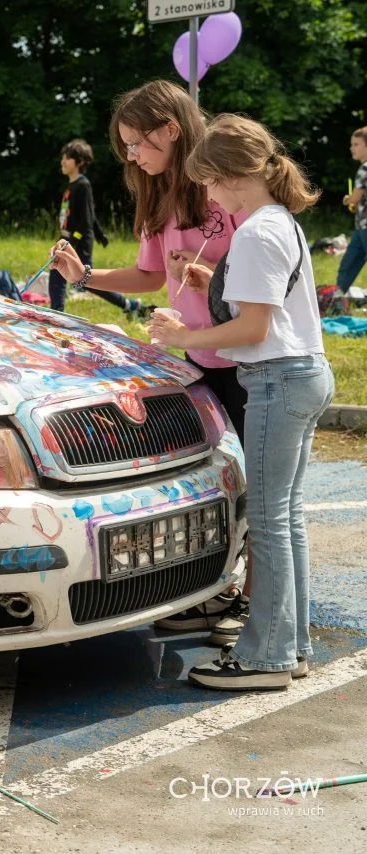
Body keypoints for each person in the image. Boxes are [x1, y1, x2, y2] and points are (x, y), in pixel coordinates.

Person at [49, 81, 250, 642]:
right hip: (200, 358)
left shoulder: (226, 192)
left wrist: (215, 280)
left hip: (249, 358)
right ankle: (223, 591)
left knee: (260, 486)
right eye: (126, 147)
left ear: (171, 129)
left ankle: (256, 603)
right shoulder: (158, 194)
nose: (132, 156)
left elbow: (261, 276)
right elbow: (151, 275)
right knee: (219, 483)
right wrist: (83, 277)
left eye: (138, 143)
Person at [148, 115, 332, 691]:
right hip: (304, 373)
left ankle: (266, 657)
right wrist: (209, 282)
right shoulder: (280, 221)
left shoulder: (254, 231)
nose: (206, 194)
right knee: (285, 518)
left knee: (271, 522)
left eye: (208, 181)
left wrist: (181, 338)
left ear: (232, 176)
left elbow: (252, 329)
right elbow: (266, 306)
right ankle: (290, 645)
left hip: (276, 378)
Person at [46, 139, 136, 315]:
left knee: (89, 281)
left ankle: (129, 305)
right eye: (62, 157)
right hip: (69, 239)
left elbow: (86, 219)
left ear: (79, 162)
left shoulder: (83, 185)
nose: (63, 161)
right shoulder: (72, 186)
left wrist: (73, 240)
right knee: (65, 273)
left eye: (68, 158)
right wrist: (98, 233)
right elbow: (91, 215)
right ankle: (56, 312)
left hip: (78, 242)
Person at [335, 127, 367, 294]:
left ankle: (336, 299)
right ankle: (337, 297)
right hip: (361, 228)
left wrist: (348, 199)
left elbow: (355, 198)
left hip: (364, 227)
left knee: (348, 265)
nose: (352, 148)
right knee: (350, 262)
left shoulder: (364, 169)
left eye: (356, 144)